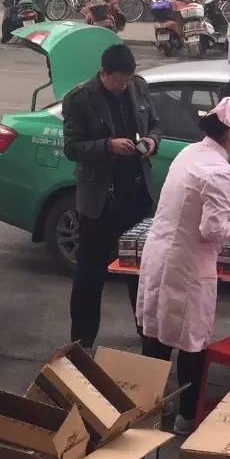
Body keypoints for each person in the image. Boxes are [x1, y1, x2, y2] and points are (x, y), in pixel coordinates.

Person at [136, 97, 230, 435]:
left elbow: (225, 200)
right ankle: (188, 416)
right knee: (192, 340)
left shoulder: (193, 153)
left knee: (157, 332)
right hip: (187, 265)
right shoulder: (221, 171)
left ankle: (148, 406)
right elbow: (212, 230)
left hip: (162, 254)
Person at [62, 44, 162, 348]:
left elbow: (155, 124)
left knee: (141, 271)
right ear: (103, 73)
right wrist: (107, 146)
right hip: (100, 200)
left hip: (137, 194)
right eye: (118, 82)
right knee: (90, 273)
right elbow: (71, 148)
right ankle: (82, 341)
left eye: (127, 81)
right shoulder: (79, 99)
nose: (123, 87)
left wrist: (151, 141)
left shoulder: (139, 87)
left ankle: (146, 332)